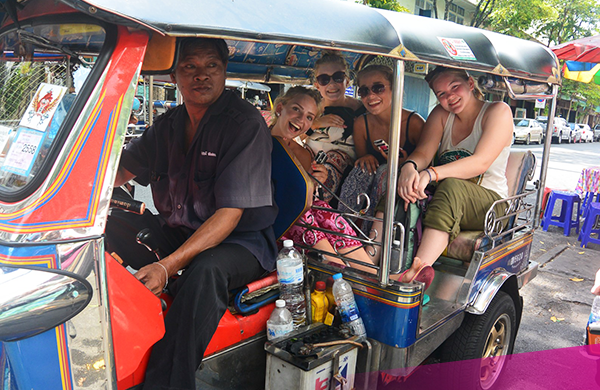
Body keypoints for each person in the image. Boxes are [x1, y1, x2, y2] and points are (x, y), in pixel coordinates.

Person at [106, 37, 277, 390]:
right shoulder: (168, 125)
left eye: (211, 66)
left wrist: (165, 267)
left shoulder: (244, 124)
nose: (201, 75)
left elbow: (229, 216)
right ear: (173, 76)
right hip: (182, 231)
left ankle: (167, 383)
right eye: (189, 67)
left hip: (241, 243)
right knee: (112, 224)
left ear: (224, 71)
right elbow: (119, 171)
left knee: (205, 271)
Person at [396, 66, 513, 289]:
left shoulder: (498, 111)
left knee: (451, 187)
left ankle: (418, 273)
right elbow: (423, 152)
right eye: (441, 94)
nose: (449, 97)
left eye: (454, 87)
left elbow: (481, 162)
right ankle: (371, 261)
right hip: (448, 196)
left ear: (470, 84)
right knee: (402, 184)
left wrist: (431, 173)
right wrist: (409, 168)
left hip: (491, 205)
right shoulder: (441, 115)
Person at [270, 86, 374, 266]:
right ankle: (346, 271)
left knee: (323, 210)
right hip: (271, 218)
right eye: (296, 109)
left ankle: (373, 273)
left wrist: (317, 181)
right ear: (280, 109)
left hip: (299, 213)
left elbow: (306, 196)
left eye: (309, 117)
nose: (301, 120)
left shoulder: (302, 154)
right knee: (304, 215)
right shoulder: (258, 140)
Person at [339, 64, 424, 226]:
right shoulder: (361, 123)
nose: (370, 95)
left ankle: (370, 233)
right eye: (364, 91)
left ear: (394, 88)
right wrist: (366, 157)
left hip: (405, 186)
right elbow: (361, 157)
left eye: (378, 88)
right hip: (371, 183)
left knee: (386, 171)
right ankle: (342, 225)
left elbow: (428, 163)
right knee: (362, 170)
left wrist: (404, 163)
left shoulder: (414, 123)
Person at [305, 52, 365, 203]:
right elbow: (295, 135)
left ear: (347, 81)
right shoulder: (311, 108)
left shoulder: (361, 109)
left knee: (333, 158)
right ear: (317, 84)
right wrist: (316, 123)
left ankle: (319, 204)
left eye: (337, 77)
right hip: (311, 155)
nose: (331, 84)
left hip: (342, 161)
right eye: (324, 79)